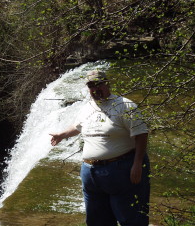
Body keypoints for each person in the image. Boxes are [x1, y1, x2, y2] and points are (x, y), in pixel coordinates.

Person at [50, 70, 150, 226]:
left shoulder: (125, 105)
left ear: (107, 84)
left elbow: (141, 134)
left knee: (131, 218)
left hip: (121, 170)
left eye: (99, 84)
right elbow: (78, 127)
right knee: (97, 221)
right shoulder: (87, 107)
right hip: (90, 173)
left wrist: (137, 165)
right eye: (91, 86)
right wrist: (61, 135)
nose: (95, 89)